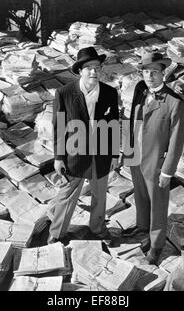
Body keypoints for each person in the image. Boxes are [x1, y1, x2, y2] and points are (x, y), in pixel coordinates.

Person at [48, 46, 119, 244]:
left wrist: (114, 154)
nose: (94, 72)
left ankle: (97, 229)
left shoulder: (109, 93)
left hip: (101, 153)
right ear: (80, 70)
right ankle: (56, 233)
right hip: (74, 153)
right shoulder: (64, 93)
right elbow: (58, 127)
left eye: (97, 67)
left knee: (99, 195)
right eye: (89, 68)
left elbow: (114, 124)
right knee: (67, 195)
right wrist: (58, 157)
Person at [124, 52, 184, 264]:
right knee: (140, 197)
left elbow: (176, 142)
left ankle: (157, 245)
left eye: (154, 72)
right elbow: (133, 119)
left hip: (156, 164)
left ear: (163, 74)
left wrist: (167, 171)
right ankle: (142, 228)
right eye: (145, 72)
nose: (150, 76)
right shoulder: (139, 90)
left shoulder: (174, 103)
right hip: (136, 157)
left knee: (157, 205)